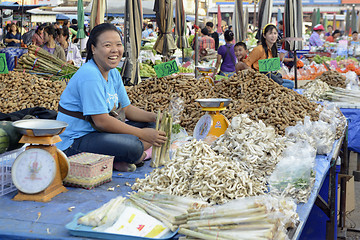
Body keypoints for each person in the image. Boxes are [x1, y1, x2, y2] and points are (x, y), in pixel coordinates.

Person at [56, 23, 166, 172]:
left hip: (98, 134)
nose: (115, 50)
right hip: (75, 141)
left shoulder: (113, 72)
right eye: (107, 45)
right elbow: (101, 121)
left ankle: (117, 158)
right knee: (133, 145)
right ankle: (131, 156)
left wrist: (156, 117)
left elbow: (126, 108)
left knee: (152, 127)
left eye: (118, 44)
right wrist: (142, 134)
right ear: (93, 49)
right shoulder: (90, 75)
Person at [242, 23, 294, 89]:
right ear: (264, 35)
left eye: (275, 33)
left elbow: (273, 69)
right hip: (260, 81)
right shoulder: (259, 49)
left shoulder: (274, 50)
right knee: (287, 86)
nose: (273, 36)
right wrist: (254, 77)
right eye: (270, 33)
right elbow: (246, 64)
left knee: (291, 83)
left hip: (270, 78)